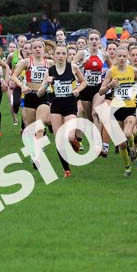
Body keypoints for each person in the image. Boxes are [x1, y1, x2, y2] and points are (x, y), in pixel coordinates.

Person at [41, 44, 88, 177]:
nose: (61, 56)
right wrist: (46, 84)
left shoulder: (72, 67)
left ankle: (74, 142)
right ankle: (66, 170)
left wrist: (77, 90)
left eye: (63, 53)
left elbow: (83, 82)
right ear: (54, 55)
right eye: (58, 53)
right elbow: (40, 93)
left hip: (70, 105)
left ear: (66, 55)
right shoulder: (49, 71)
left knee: (70, 136)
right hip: (55, 106)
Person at [99, 45, 137, 176]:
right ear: (115, 57)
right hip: (116, 108)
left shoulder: (133, 70)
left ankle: (132, 145)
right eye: (120, 56)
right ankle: (127, 167)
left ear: (127, 57)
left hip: (130, 108)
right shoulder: (111, 72)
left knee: (128, 133)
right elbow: (101, 91)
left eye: (124, 56)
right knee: (121, 144)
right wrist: (110, 85)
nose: (122, 58)